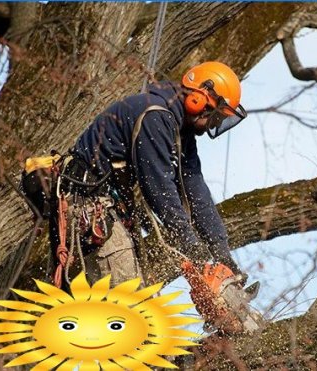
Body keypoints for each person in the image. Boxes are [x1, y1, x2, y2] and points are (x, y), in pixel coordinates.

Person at [60, 61, 248, 286]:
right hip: (87, 202)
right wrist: (190, 246)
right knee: (129, 297)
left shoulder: (181, 130)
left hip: (109, 206)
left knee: (139, 293)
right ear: (198, 99)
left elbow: (195, 190)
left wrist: (221, 252)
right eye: (215, 117)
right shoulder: (155, 116)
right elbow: (159, 189)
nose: (211, 125)